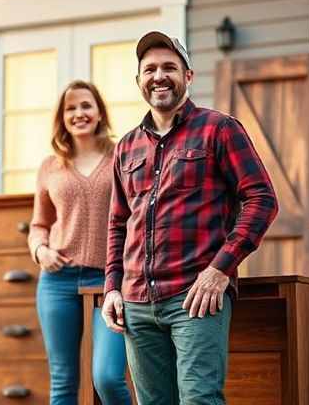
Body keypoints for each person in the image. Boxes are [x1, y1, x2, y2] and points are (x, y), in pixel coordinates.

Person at [101, 31, 279, 404]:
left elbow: (262, 199)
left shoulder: (220, 129)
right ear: (139, 81)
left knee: (200, 399)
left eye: (170, 67)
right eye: (149, 69)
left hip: (194, 297)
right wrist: (112, 287)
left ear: (188, 76)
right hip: (136, 302)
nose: (159, 76)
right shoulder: (126, 146)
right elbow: (118, 222)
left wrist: (220, 270)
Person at [28, 80, 132, 405]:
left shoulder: (122, 156)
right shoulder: (50, 165)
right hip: (57, 282)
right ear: (62, 117)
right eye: (70, 108)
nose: (79, 113)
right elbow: (39, 224)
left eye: (86, 105)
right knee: (63, 382)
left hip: (109, 281)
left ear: (99, 112)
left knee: (109, 378)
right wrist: (40, 250)